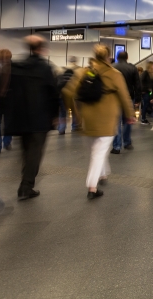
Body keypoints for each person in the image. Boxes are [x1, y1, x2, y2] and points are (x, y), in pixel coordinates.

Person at [63, 45, 135, 199]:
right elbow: (124, 96)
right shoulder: (114, 74)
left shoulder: (83, 72)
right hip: (107, 119)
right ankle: (92, 187)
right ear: (109, 57)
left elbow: (67, 92)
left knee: (96, 151)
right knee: (99, 153)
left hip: (87, 119)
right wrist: (130, 114)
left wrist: (74, 113)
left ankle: (103, 175)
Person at [3, 36, 59, 200]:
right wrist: (55, 115)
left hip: (20, 117)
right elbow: (53, 94)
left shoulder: (17, 66)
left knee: (26, 151)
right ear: (42, 49)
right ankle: (26, 186)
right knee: (35, 152)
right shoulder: (44, 68)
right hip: (39, 118)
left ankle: (25, 183)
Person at [111, 51, 140, 154]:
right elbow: (137, 85)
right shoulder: (132, 68)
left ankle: (117, 146)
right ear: (127, 57)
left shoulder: (112, 67)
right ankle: (127, 142)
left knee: (116, 122)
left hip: (115, 98)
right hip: (129, 98)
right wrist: (137, 99)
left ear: (117, 57)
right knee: (128, 120)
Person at [57, 56, 79, 134]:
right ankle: (75, 126)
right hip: (73, 95)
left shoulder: (61, 70)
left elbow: (58, 83)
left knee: (62, 112)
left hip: (61, 95)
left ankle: (61, 128)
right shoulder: (77, 71)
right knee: (74, 111)